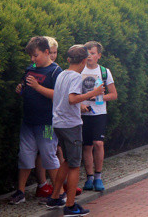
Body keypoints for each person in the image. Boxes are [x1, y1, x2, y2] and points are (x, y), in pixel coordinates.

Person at [47, 45, 104, 216]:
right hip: (71, 125)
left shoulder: (61, 74)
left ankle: (55, 197)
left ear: (69, 59)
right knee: (74, 165)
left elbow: (63, 99)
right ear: (84, 60)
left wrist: (81, 106)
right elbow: (72, 99)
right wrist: (92, 93)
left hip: (58, 123)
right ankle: (70, 206)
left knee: (66, 161)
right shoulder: (76, 77)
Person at [9, 36, 63, 205]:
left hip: (47, 123)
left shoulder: (56, 71)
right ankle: (21, 192)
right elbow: (26, 86)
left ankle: (59, 193)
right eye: (31, 56)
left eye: (36, 55)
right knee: (24, 156)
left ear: (47, 53)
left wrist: (38, 87)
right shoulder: (31, 68)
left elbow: (59, 96)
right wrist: (21, 89)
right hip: (29, 121)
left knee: (48, 156)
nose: (32, 59)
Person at [80, 41, 117, 191]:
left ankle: (98, 176)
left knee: (98, 143)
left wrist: (99, 98)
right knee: (86, 145)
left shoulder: (104, 71)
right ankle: (89, 177)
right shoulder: (79, 71)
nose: (89, 56)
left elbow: (114, 94)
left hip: (99, 113)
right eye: (87, 53)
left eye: (93, 53)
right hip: (83, 113)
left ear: (99, 56)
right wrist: (80, 104)